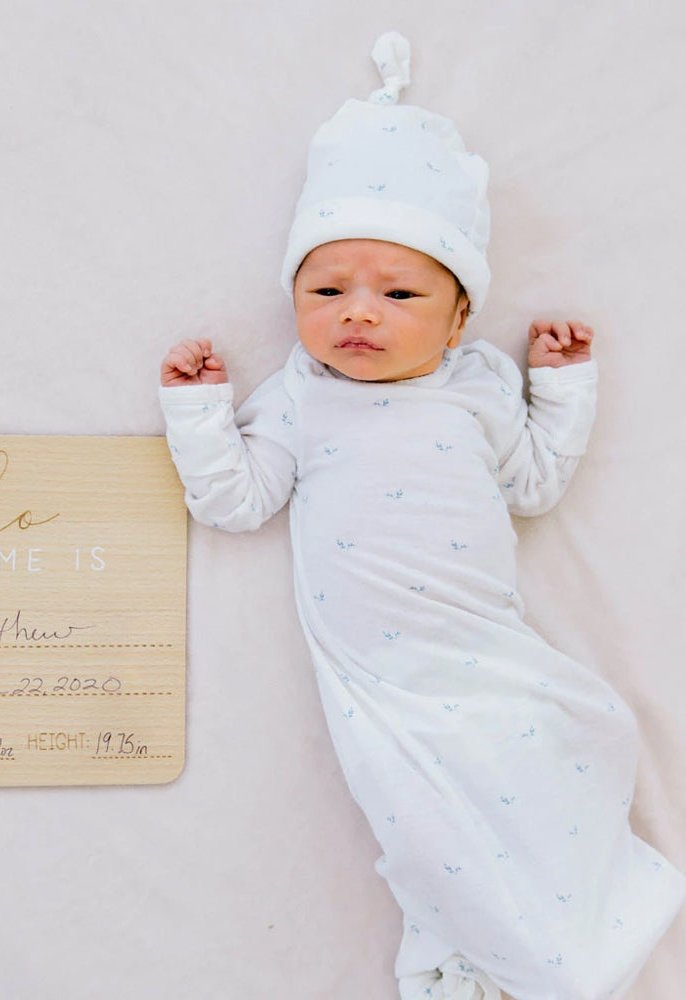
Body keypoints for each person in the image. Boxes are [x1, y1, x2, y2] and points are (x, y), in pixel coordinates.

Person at [159, 31, 684, 1000]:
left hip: (485, 650)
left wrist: (560, 387)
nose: (358, 312)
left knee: (584, 736)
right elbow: (235, 501)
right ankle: (467, 955)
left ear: (457, 318)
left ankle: (557, 918)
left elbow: (534, 485)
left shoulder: (477, 388)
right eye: (327, 290)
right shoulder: (302, 395)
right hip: (386, 682)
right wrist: (199, 413)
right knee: (428, 818)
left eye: (398, 293)